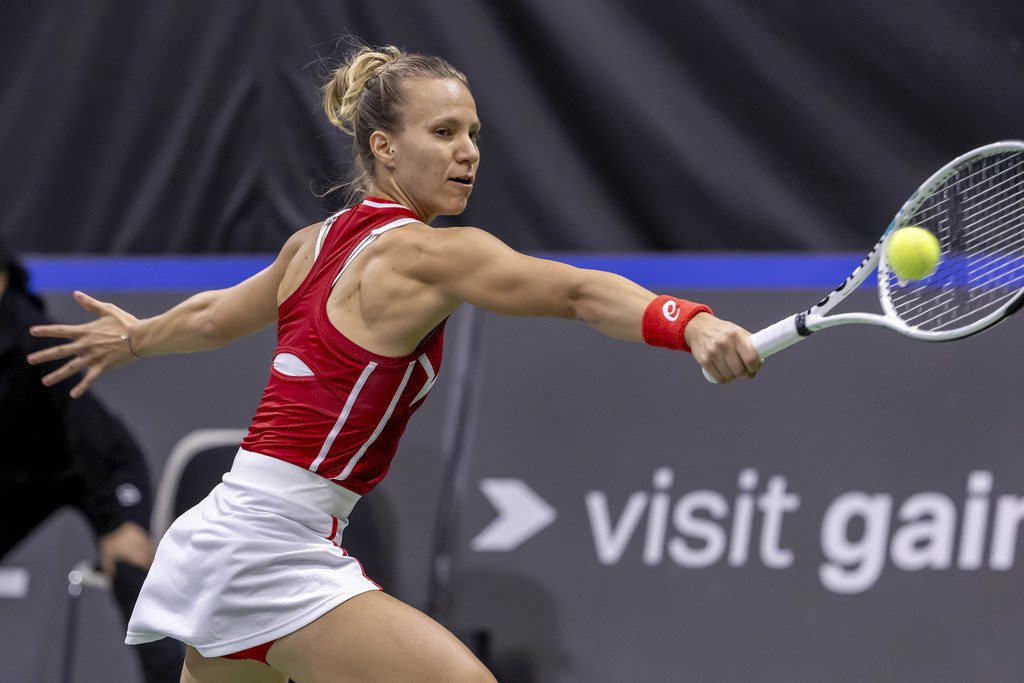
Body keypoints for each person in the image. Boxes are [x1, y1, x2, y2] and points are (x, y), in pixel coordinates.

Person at [27, 44, 762, 682]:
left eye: (473, 132)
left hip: (231, 527)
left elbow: (214, 318)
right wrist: (687, 322)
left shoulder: (312, 244)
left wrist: (137, 337)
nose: (468, 150)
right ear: (382, 146)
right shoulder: (429, 255)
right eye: (443, 133)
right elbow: (574, 293)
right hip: (273, 542)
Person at [0, 239, 183, 683]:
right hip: (23, 479)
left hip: (97, 470)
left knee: (129, 565)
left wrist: (113, 522)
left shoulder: (30, 334)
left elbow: (84, 425)